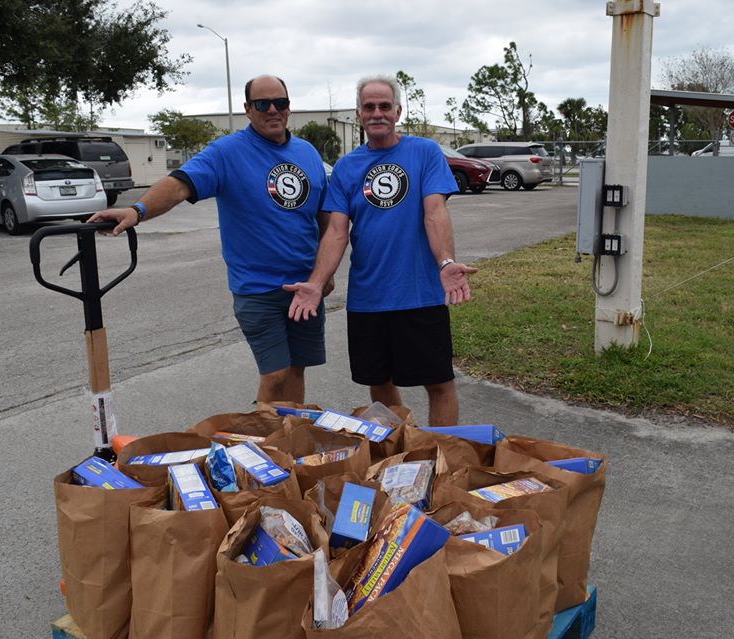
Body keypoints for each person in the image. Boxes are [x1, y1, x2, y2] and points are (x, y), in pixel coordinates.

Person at [88, 74, 332, 404]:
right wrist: (137, 211)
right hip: (258, 289)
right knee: (274, 374)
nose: (273, 110)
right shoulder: (226, 153)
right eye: (263, 104)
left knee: (297, 369)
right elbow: (179, 184)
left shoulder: (306, 152)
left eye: (281, 103)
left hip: (305, 288)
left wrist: (322, 276)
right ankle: (265, 448)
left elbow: (324, 219)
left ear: (289, 108)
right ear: (247, 109)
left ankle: (290, 442)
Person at [285, 74, 476, 426]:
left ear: (398, 111)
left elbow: (434, 211)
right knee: (379, 382)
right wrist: (316, 282)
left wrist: (445, 262)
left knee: (439, 383)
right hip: (368, 297)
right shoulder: (346, 167)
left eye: (384, 106)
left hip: (419, 293)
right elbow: (336, 233)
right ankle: (404, 450)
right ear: (358, 114)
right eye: (369, 107)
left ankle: (445, 458)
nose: (377, 113)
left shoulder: (425, 153)